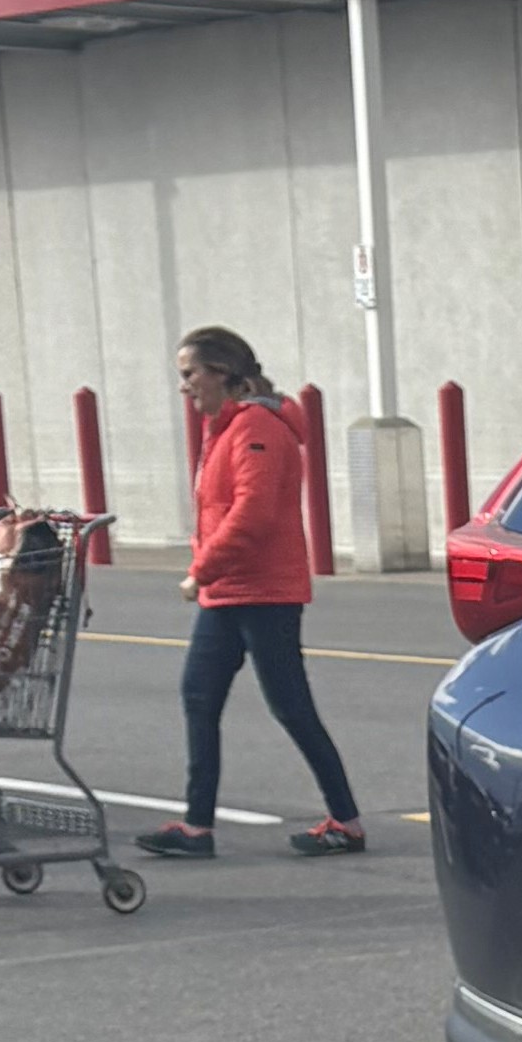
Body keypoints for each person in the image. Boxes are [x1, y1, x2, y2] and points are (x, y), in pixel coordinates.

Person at [143, 327, 362, 858]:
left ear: (222, 373)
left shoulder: (257, 427)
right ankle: (197, 828)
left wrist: (202, 570)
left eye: (190, 374)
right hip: (230, 592)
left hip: (263, 592)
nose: (184, 387)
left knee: (291, 706)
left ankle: (347, 822)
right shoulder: (227, 427)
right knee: (199, 696)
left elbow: (254, 513)